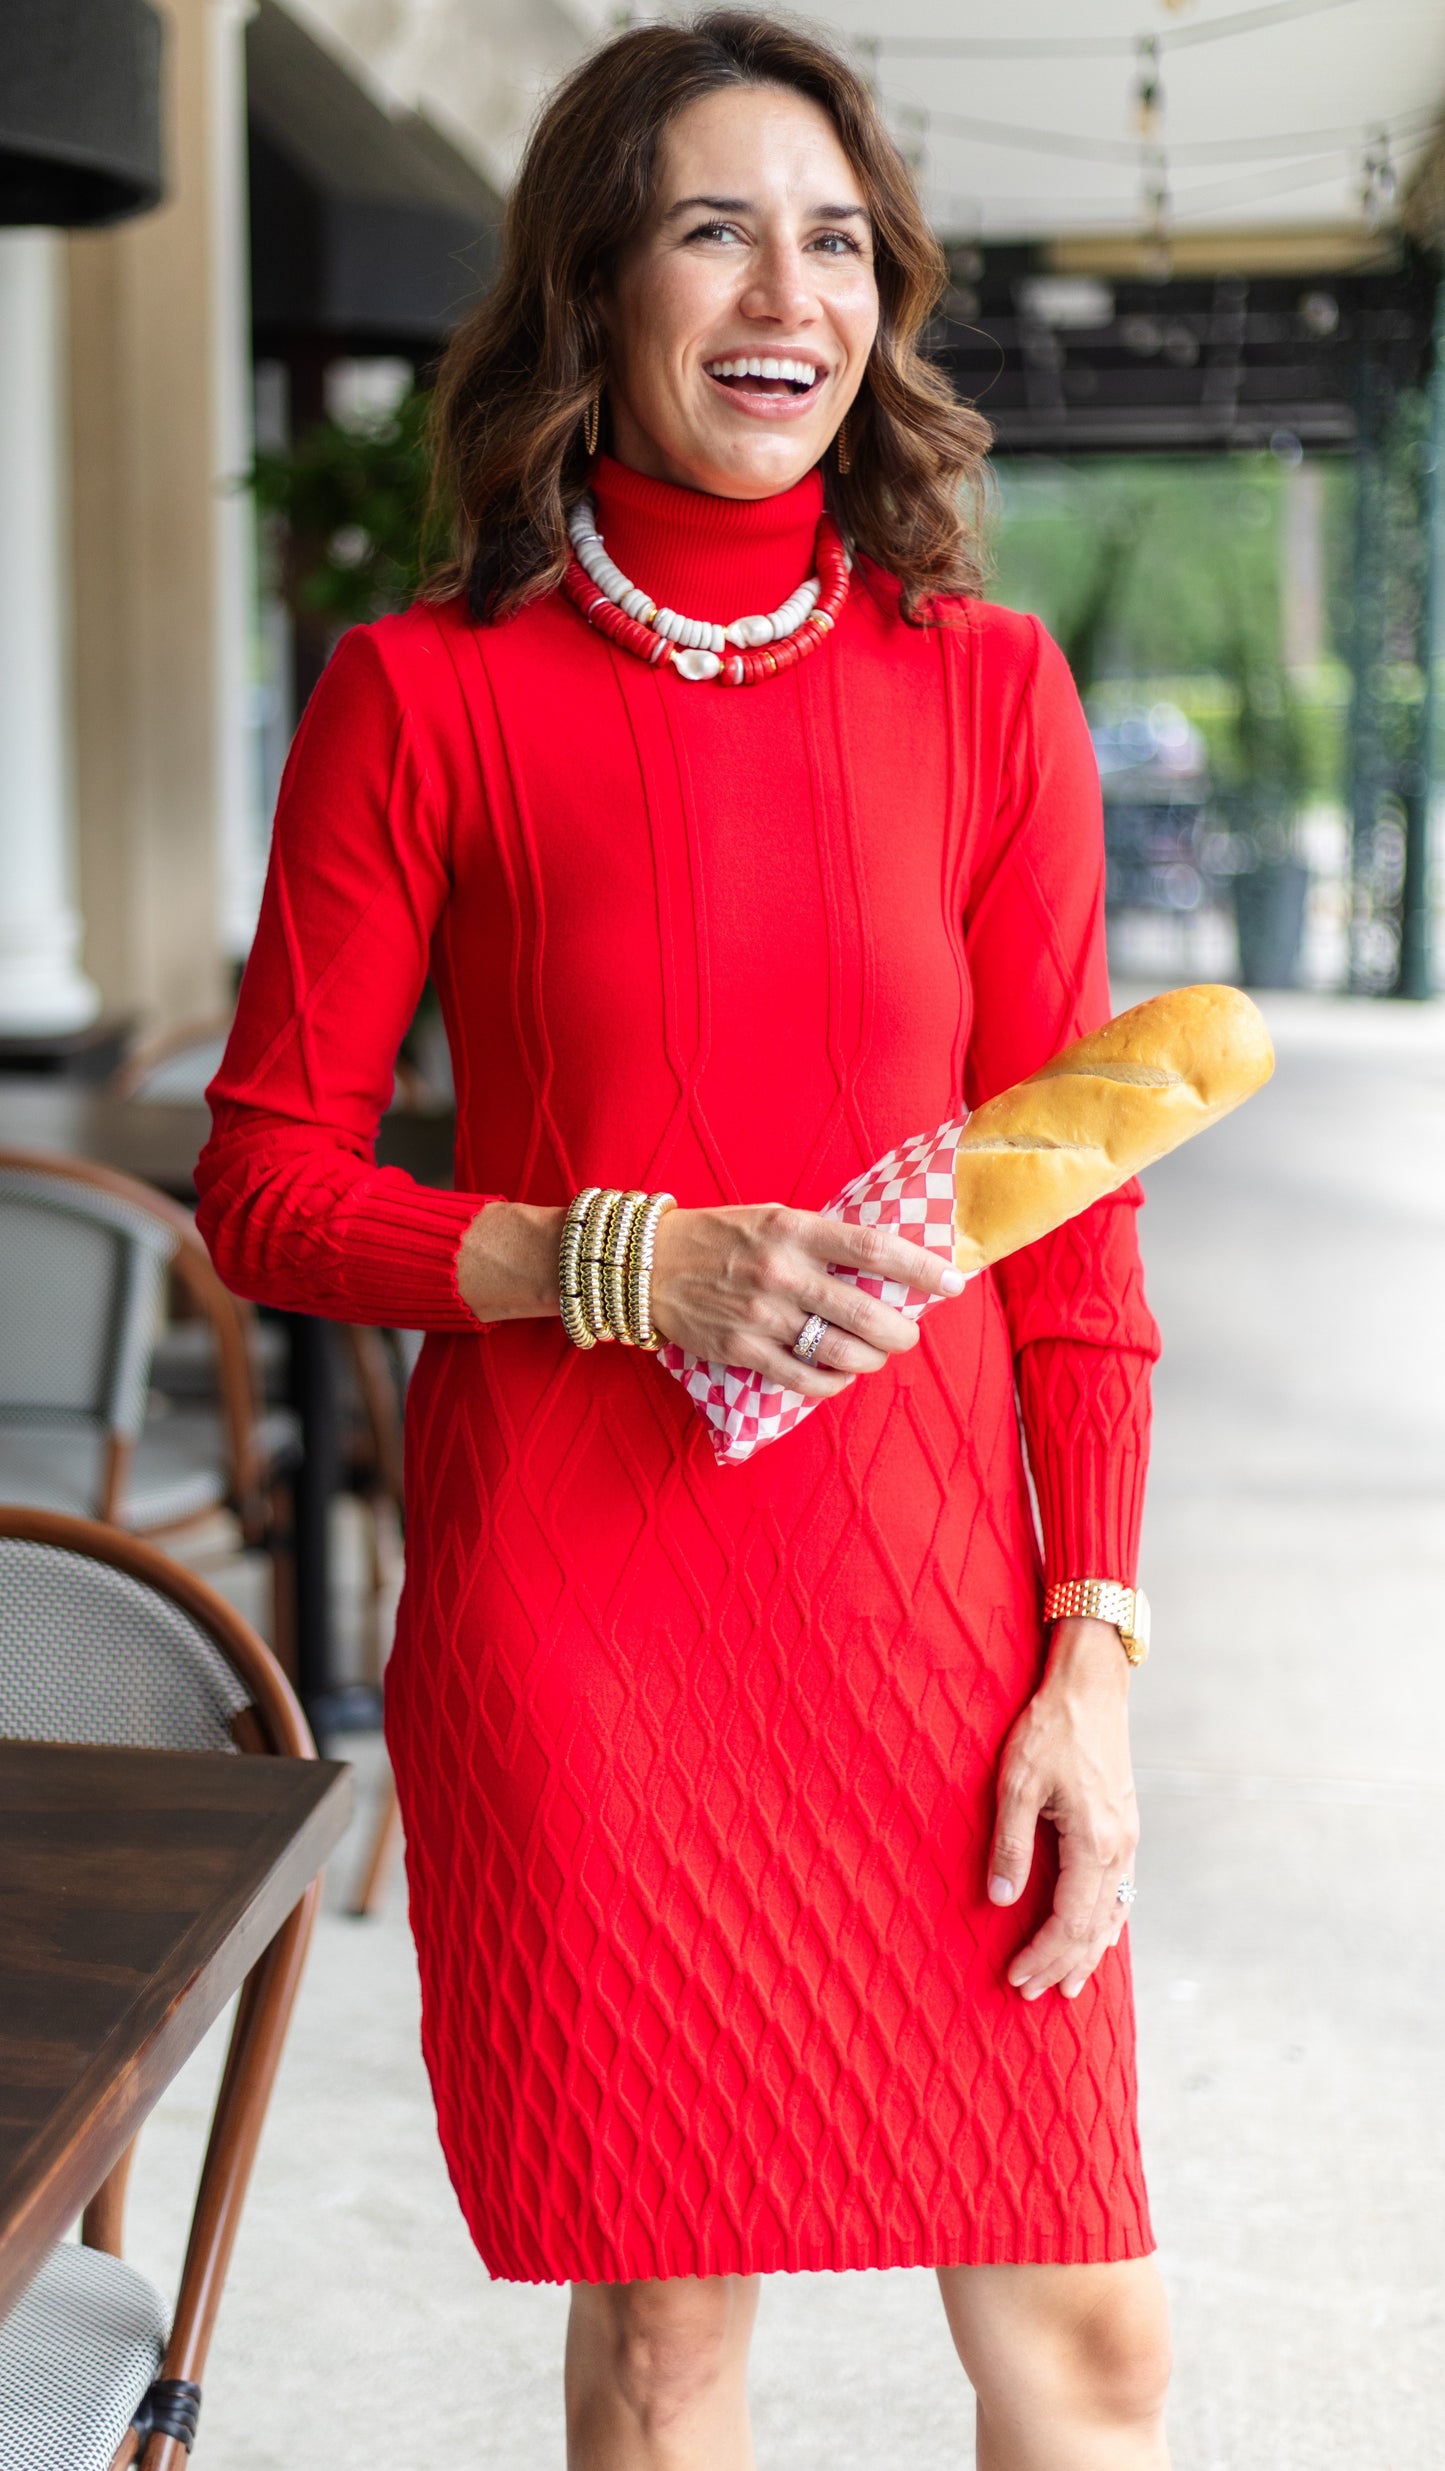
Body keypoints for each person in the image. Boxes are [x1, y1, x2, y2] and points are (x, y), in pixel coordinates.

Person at [196, 13, 1171, 2465]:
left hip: (934, 1614)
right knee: (666, 2343)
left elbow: (1068, 1229)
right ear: (596, 284)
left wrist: (1097, 1651)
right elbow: (271, 1185)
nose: (787, 288)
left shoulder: (988, 692)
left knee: (1091, 2339)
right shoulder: (424, 699)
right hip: (594, 1629)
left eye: (835, 237)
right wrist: (612, 1261)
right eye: (713, 224)